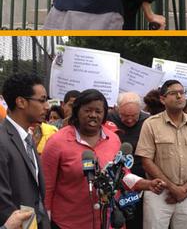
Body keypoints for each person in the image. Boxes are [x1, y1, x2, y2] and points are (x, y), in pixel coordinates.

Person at [42, 89, 164, 229]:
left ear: (105, 114)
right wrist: (46, 220)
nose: (93, 115)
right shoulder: (56, 142)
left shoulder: (113, 139)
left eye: (98, 111)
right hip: (69, 223)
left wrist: (147, 184)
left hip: (109, 222)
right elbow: (47, 187)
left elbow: (122, 175)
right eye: (88, 110)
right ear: (77, 111)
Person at [135, 80, 187, 229]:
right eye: (173, 93)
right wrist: (172, 188)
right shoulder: (151, 124)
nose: (179, 96)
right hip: (158, 192)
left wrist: (184, 188)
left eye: (182, 92)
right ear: (162, 99)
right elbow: (146, 160)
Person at [0, 73, 50, 229]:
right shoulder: (2, 141)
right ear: (21, 102)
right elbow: (3, 202)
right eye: (42, 100)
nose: (47, 106)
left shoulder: (27, 137)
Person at [107, 92, 150, 229]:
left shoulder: (148, 121)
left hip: (140, 178)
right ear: (117, 109)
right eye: (125, 116)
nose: (130, 120)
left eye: (134, 116)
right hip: (114, 180)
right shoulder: (108, 118)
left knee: (136, 219)